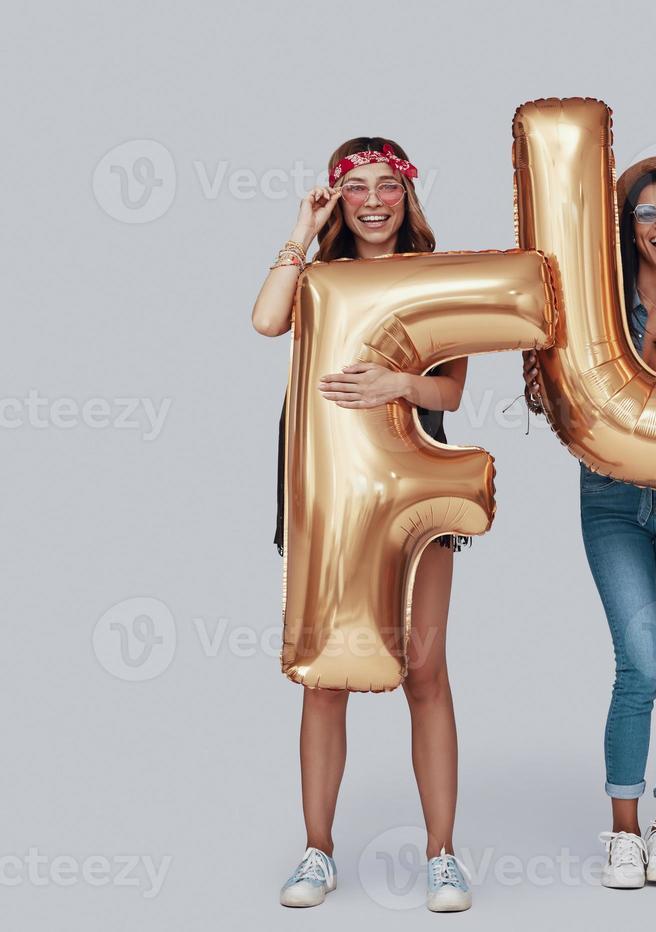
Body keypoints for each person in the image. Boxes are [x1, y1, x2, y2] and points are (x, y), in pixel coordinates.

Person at [251, 138, 472, 912]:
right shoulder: (316, 278)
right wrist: (298, 228)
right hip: (328, 498)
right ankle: (317, 852)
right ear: (337, 201)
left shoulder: (440, 283)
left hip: (416, 492)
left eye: (387, 186)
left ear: (408, 195)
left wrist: (397, 382)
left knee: (424, 670)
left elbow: (448, 396)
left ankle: (442, 855)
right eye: (354, 189)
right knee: (326, 675)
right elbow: (264, 319)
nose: (372, 201)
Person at [523, 156, 656, 890]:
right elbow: (554, 405)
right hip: (610, 499)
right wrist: (542, 374)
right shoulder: (595, 311)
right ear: (626, 227)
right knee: (639, 663)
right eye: (647, 213)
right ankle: (623, 833)